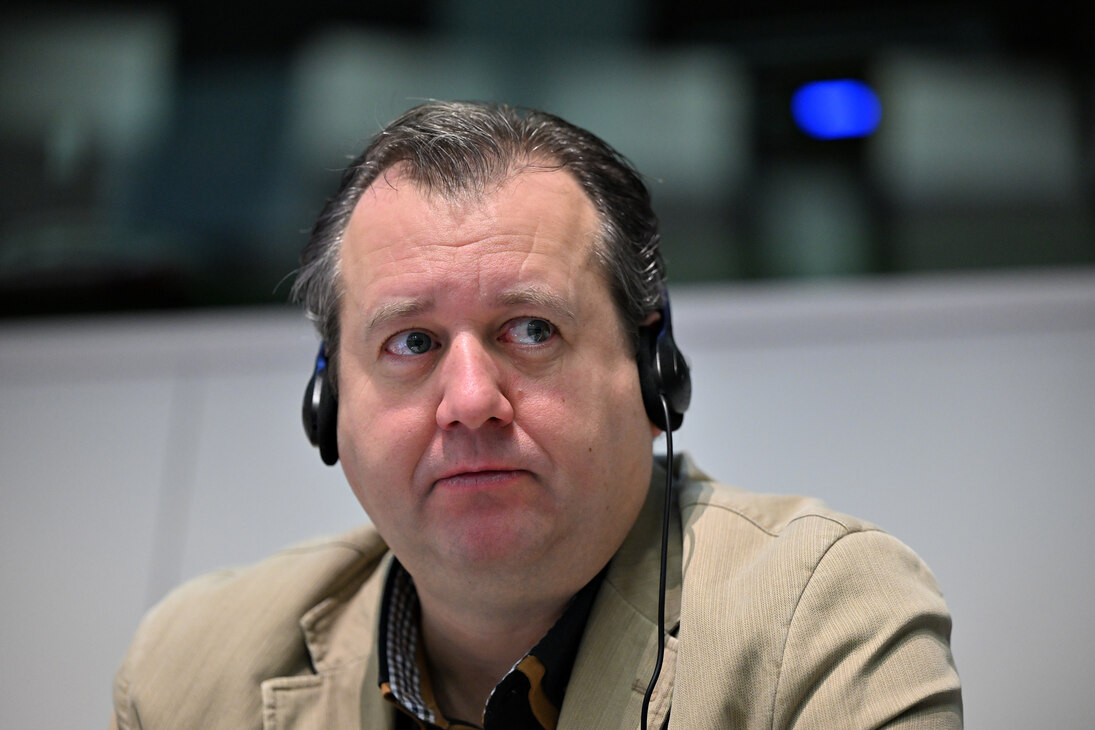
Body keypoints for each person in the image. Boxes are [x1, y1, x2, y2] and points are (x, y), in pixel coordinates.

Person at [111, 101, 962, 729]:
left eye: (530, 330)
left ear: (653, 375)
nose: (471, 400)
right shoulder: (193, 669)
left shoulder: (820, 624)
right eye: (411, 342)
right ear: (328, 403)